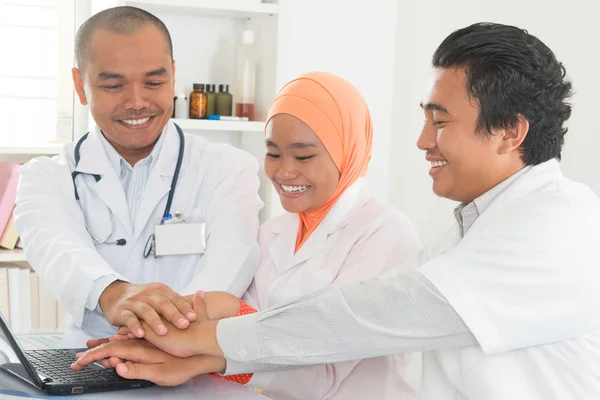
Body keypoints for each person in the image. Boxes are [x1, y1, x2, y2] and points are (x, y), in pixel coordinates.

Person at [74, 22, 600, 399]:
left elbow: (372, 317)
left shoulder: (560, 225)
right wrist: (193, 332)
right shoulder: (463, 237)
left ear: (512, 131)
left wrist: (201, 339)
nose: (421, 141)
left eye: (440, 122)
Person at [78, 72, 422, 398]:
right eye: (272, 153)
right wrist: (157, 334)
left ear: (348, 151)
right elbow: (248, 331)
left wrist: (200, 351)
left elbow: (322, 377)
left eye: (304, 155)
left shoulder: (385, 235)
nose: (284, 171)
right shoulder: (274, 231)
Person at [14, 6, 263, 345]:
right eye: (114, 85)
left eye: (154, 82)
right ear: (80, 85)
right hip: (85, 358)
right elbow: (57, 250)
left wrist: (166, 331)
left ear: (173, 76)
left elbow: (229, 265)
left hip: (190, 363)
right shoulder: (45, 177)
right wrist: (113, 294)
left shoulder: (229, 169)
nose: (137, 102)